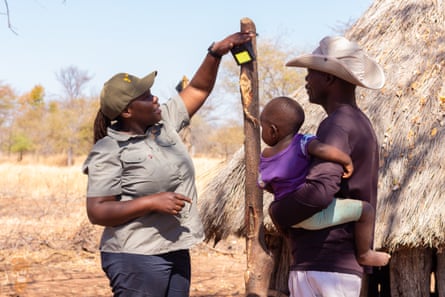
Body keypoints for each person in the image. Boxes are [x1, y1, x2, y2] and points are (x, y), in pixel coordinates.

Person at [82, 31, 254, 297]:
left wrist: (215, 53)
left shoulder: (164, 125)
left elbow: (197, 89)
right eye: (145, 96)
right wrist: (151, 202)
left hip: (174, 248)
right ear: (127, 112)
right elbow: (97, 211)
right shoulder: (109, 150)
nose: (155, 99)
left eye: (152, 92)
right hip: (135, 256)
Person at [268, 36, 389, 297]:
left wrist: (278, 212)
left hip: (324, 264)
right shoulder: (356, 122)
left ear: (329, 79)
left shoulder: (337, 125)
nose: (306, 80)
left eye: (311, 73)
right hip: (332, 267)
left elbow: (320, 191)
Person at [258, 96, 390, 267]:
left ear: (272, 130)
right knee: (366, 210)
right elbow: (322, 149)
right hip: (313, 215)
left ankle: (289, 242)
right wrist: (345, 160)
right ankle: (365, 253)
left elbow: (265, 184)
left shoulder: (265, 157)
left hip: (288, 216)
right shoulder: (302, 142)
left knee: (274, 210)